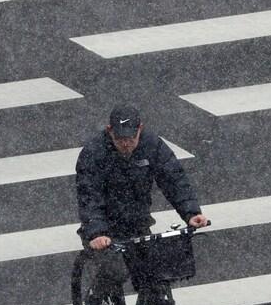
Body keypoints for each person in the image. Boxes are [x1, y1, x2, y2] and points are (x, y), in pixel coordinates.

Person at [76, 105, 209, 286]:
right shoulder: (93, 153)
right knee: (113, 275)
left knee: (154, 277)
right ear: (109, 131)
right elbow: (89, 197)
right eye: (120, 139)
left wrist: (191, 213)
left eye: (131, 138)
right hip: (104, 229)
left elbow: (174, 180)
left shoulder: (152, 146)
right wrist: (97, 232)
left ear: (140, 129)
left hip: (138, 224)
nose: (125, 144)